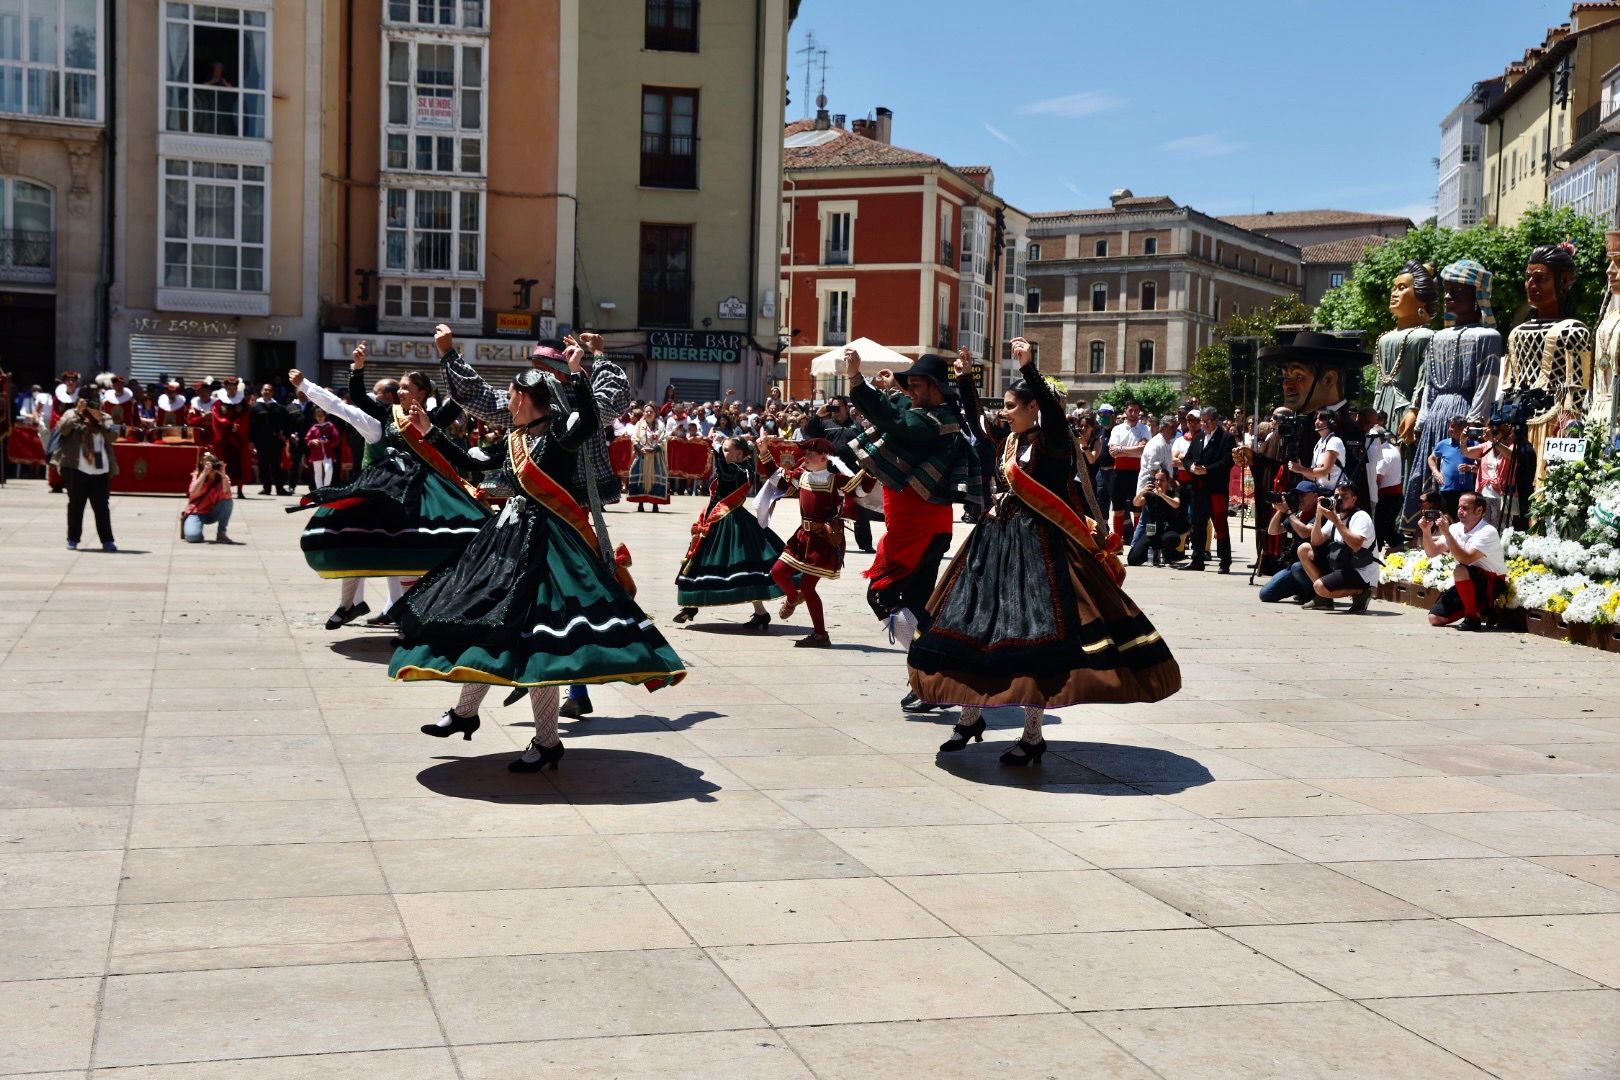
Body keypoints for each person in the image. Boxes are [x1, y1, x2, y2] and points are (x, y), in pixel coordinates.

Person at [392, 352, 685, 772]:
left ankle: (542, 739)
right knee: (491, 627)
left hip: (548, 551)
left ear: (529, 398)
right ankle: (469, 713)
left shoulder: (560, 434)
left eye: (511, 396)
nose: (506, 402)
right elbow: (475, 463)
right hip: (507, 544)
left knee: (539, 645)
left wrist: (580, 372)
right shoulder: (516, 438)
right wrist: (428, 432)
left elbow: (587, 418)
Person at [912, 338, 1180, 765]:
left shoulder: (1052, 442)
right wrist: (962, 380)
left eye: (1012, 406)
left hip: (1038, 554)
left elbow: (1055, 417)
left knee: (1033, 642)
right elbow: (976, 424)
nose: (1005, 412)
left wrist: (1029, 369)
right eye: (1004, 406)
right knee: (980, 632)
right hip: (995, 545)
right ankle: (970, 715)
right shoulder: (1010, 442)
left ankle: (1033, 734)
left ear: (1033, 407)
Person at [287, 348, 483, 624]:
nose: (400, 392)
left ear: (422, 393)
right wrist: (352, 369)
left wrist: (452, 359)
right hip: (392, 489)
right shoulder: (387, 414)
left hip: (427, 491)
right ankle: (388, 612)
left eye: (407, 388)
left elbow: (461, 397)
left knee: (426, 549)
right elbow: (347, 404)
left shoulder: (435, 418)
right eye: (399, 387)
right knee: (383, 543)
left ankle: (420, 612)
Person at [845, 347, 980, 710]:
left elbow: (898, 422)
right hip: (921, 528)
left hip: (915, 531)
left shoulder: (933, 422)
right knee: (918, 605)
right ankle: (930, 678)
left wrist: (858, 381)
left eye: (917, 385)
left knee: (882, 596)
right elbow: (903, 411)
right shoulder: (932, 412)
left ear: (936, 388)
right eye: (910, 386)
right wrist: (893, 389)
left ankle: (929, 669)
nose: (911, 391)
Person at [672, 435, 784, 630]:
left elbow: (724, 471)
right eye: (723, 449)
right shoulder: (743, 467)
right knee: (700, 560)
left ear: (739, 453)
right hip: (716, 518)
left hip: (730, 521)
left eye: (726, 449)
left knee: (740, 568)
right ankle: (691, 606)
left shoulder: (740, 469)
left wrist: (714, 447)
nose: (723, 453)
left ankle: (760, 612)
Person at [767, 438, 845, 648]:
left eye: (811, 455)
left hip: (823, 541)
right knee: (777, 572)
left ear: (823, 457)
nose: (805, 458)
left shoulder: (836, 481)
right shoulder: (801, 476)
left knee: (809, 587)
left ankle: (820, 634)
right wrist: (764, 450)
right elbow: (775, 477)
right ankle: (793, 597)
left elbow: (864, 493)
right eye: (806, 454)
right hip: (802, 537)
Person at [1420, 491, 1507, 631]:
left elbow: (1465, 559)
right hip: (1467, 581)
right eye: (1459, 507)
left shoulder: (1488, 531)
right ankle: (1481, 608)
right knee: (1435, 618)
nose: (1460, 511)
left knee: (1460, 569)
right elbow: (1432, 552)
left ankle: (1472, 618)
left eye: (1465, 508)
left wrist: (1447, 533)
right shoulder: (1455, 528)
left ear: (1479, 510)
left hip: (1491, 583)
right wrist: (1426, 531)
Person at [802, 394, 875, 552]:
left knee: (860, 508)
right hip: (831, 474)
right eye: (831, 406)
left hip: (852, 474)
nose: (834, 409)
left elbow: (866, 445)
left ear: (846, 407)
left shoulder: (857, 426)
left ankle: (866, 544)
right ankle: (834, 541)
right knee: (832, 509)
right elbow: (809, 434)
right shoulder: (825, 424)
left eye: (837, 406)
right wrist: (817, 416)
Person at [51, 385, 118, 551]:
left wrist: (99, 421)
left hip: (99, 469)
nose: (91, 403)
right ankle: (73, 538)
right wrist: (78, 413)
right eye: (87, 399)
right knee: (76, 505)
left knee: (102, 506)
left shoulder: (105, 417)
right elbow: (63, 430)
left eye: (94, 399)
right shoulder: (70, 414)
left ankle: (107, 540)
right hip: (76, 467)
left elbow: (113, 436)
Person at [1296, 479, 1378, 612]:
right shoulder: (1337, 516)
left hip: (1361, 571)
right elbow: (1316, 541)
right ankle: (1324, 599)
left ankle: (1362, 592)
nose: (1339, 499)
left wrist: (1335, 520)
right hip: (1343, 565)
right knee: (1304, 549)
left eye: (1344, 496)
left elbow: (1356, 545)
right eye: (1336, 496)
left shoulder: (1361, 517)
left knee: (1319, 587)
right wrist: (1319, 514)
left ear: (1354, 499)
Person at [1184, 406, 1235, 572]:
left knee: (1220, 524)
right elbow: (1187, 458)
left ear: (1215, 420)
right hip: (1199, 490)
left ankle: (1224, 561)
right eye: (1202, 421)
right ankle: (1197, 559)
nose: (1204, 424)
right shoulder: (1198, 438)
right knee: (1198, 524)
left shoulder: (1226, 438)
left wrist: (1207, 469)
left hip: (1216, 490)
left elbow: (1227, 461)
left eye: (1207, 421)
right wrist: (1192, 467)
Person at [1258, 481, 1322, 603]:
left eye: (1303, 495)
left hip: (1314, 567)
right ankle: (1301, 589)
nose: (1299, 498)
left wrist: (1287, 512)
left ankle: (1316, 594)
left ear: (1315, 496)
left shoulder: (1319, 513)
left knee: (1297, 568)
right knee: (1266, 594)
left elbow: (1305, 532)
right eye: (1298, 495)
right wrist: (1280, 510)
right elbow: (1273, 531)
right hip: (1293, 567)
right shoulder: (1298, 514)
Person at [1106, 401, 1150, 542]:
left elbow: (1143, 448)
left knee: (1137, 507)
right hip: (1119, 471)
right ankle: (1117, 542)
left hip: (1137, 472)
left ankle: (1137, 541)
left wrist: (1121, 449)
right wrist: (1132, 450)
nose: (1133, 413)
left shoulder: (1144, 428)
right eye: (1131, 410)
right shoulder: (1117, 429)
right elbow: (1113, 452)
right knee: (1118, 508)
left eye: (1136, 411)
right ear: (1125, 411)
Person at [1128, 468, 1184, 567]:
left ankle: (1166, 554)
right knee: (1133, 560)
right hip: (1151, 530)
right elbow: (1136, 503)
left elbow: (1176, 504)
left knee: (1173, 538)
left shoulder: (1173, 493)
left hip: (1167, 530)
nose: (1158, 482)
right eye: (1156, 480)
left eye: (1162, 480)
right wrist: (1142, 491)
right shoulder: (1150, 494)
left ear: (1167, 481)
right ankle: (1154, 553)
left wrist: (1162, 495)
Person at [1427, 416, 1477, 518]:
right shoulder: (1443, 444)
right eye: (1450, 426)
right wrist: (1436, 472)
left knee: (1464, 518)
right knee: (1448, 518)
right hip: (1447, 490)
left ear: (1463, 428)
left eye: (1453, 427)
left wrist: (1470, 467)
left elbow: (1482, 466)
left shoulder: (1474, 444)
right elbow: (1431, 458)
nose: (1450, 429)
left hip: (1466, 491)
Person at [182, 452, 235, 543]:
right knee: (192, 537)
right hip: (197, 512)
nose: (211, 468)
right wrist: (204, 474)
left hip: (213, 511)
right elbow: (193, 491)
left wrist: (223, 474)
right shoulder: (197, 475)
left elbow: (227, 493)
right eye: (207, 464)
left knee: (227, 502)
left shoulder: (222, 477)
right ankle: (195, 530)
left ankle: (221, 533)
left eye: (213, 464)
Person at [250, 382, 290, 495]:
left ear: (273, 392)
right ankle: (266, 488)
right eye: (265, 390)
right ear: (261, 391)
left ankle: (280, 488)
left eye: (269, 390)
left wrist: (285, 434)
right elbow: (251, 426)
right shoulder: (255, 408)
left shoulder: (279, 408)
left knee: (277, 465)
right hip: (261, 442)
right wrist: (251, 441)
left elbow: (287, 423)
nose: (267, 392)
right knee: (263, 465)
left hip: (276, 442)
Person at [628, 404, 670, 511]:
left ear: (655, 413)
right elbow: (634, 438)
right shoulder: (639, 424)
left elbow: (664, 438)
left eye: (651, 411)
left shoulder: (660, 425)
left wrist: (654, 449)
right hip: (642, 456)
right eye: (646, 411)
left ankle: (655, 504)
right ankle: (640, 504)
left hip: (655, 457)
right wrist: (640, 448)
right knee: (640, 478)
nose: (649, 413)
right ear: (643, 413)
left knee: (655, 479)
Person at [303, 407, 340, 490]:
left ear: (325, 416)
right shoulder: (314, 428)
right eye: (318, 416)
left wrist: (329, 441)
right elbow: (307, 439)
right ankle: (319, 490)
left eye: (321, 416)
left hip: (328, 453)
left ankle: (325, 488)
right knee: (318, 472)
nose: (319, 418)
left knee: (329, 470)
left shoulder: (330, 426)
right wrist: (312, 441)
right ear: (315, 417)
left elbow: (336, 438)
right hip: (316, 453)